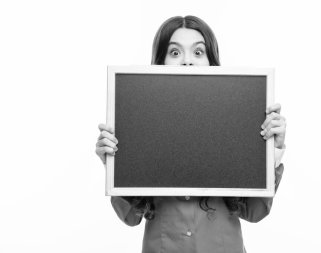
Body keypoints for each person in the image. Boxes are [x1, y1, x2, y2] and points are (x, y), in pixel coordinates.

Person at [95, 15, 286, 253]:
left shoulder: (237, 123)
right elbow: (131, 218)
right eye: (175, 53)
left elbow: (255, 212)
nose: (187, 62)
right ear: (160, 61)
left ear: (211, 61)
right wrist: (115, 164)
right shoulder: (139, 126)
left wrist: (272, 151)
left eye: (198, 52)